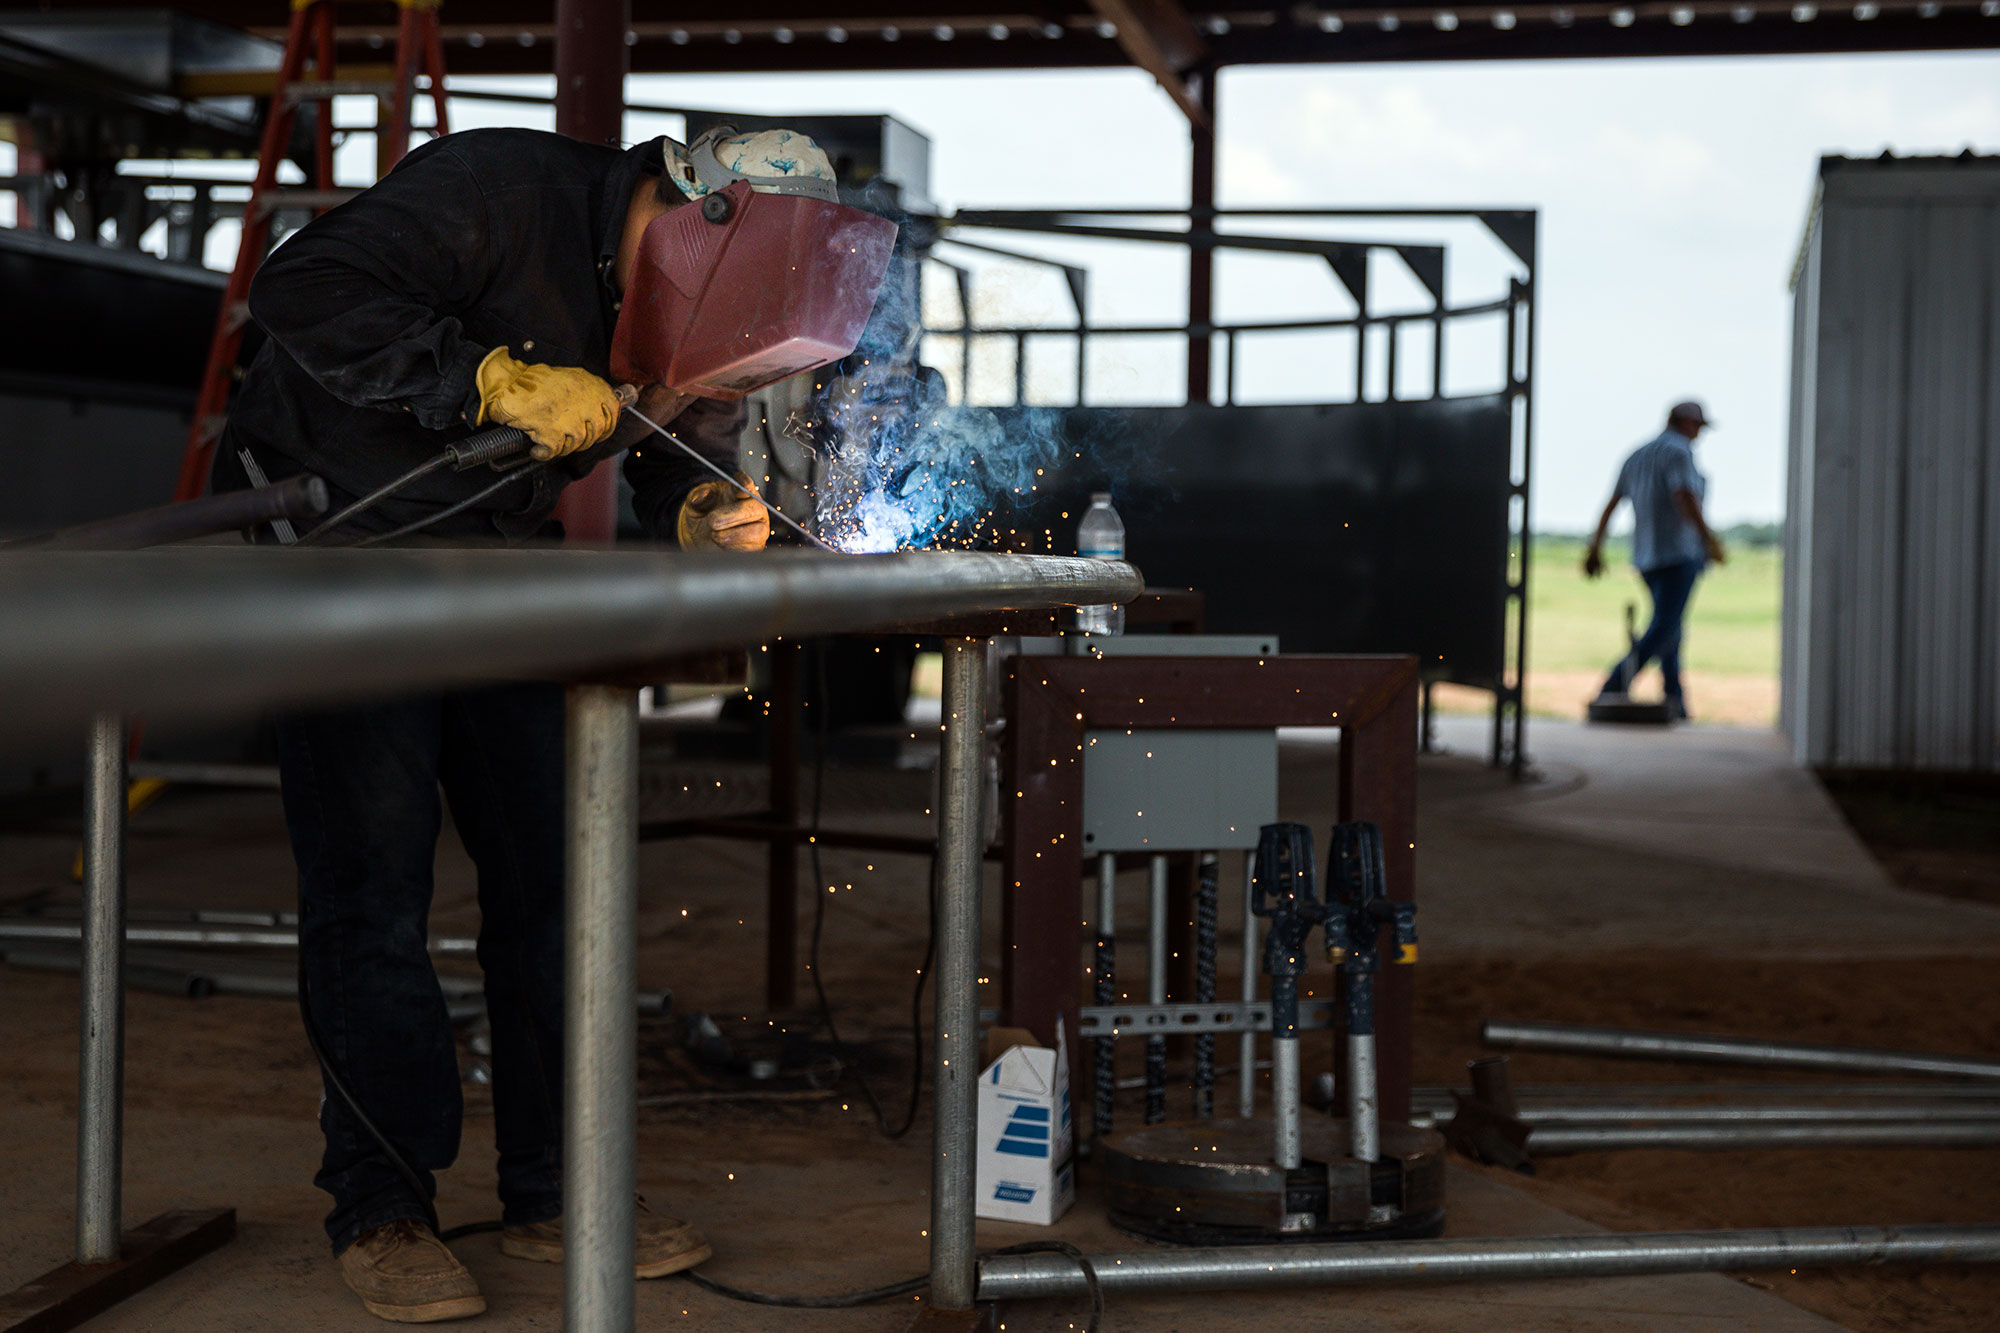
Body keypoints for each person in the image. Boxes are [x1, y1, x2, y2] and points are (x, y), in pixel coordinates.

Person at [215, 124, 850, 1322]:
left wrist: (699, 504)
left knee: (555, 887)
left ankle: (553, 1192)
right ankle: (383, 1204)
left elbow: (666, 438)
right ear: (683, 205)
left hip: (495, 568)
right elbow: (302, 282)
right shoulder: (499, 188)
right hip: (340, 553)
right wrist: (480, 379)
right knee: (374, 890)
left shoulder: (682, 294)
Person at [1582, 400, 1727, 722]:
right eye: (1699, 426)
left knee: (1670, 628)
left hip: (1647, 557)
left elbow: (1612, 503)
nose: (1699, 434)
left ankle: (1676, 701)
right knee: (1664, 627)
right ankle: (1612, 688)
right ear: (1686, 422)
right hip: (1679, 554)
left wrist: (1595, 547)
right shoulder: (1679, 453)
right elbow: (1685, 496)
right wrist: (1709, 538)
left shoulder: (1638, 454)